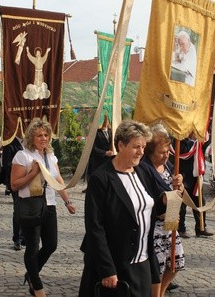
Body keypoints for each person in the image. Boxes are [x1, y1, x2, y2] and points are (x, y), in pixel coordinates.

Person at [79, 119, 165, 297]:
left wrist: (166, 202)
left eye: (143, 147)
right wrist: (107, 269)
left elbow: (152, 205)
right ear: (121, 145)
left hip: (143, 262)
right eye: (136, 147)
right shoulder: (101, 179)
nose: (141, 152)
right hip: (115, 265)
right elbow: (95, 227)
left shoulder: (142, 172)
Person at [10, 118, 76, 297]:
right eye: (39, 135)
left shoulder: (50, 155)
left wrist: (67, 201)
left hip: (50, 205)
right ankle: (37, 286)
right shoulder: (22, 156)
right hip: (31, 205)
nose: (44, 138)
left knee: (51, 245)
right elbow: (14, 185)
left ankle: (31, 273)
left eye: (46, 135)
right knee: (32, 247)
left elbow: (58, 179)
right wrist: (32, 173)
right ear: (32, 137)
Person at [139, 124, 185, 296]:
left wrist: (180, 185)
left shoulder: (168, 166)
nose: (166, 155)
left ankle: (161, 291)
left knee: (176, 263)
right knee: (156, 267)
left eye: (168, 151)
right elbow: (147, 198)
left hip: (170, 223)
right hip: (154, 226)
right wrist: (161, 213)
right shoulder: (144, 169)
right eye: (162, 152)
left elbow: (177, 195)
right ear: (150, 151)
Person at [177, 131, 214, 238]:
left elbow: (206, 145)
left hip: (196, 177)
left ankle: (201, 227)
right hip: (184, 175)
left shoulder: (198, 143)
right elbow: (184, 153)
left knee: (200, 202)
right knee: (182, 204)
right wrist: (195, 142)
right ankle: (181, 228)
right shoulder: (181, 141)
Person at [1, 134, 25, 250]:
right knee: (18, 210)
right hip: (17, 181)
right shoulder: (9, 143)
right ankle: (17, 238)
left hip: (31, 181)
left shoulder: (31, 142)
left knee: (30, 210)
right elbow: (6, 164)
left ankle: (26, 236)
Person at [83, 114, 114, 193]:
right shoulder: (95, 133)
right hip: (97, 159)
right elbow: (93, 148)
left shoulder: (111, 132)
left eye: (105, 120)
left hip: (109, 159)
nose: (104, 123)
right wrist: (105, 153)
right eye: (103, 121)